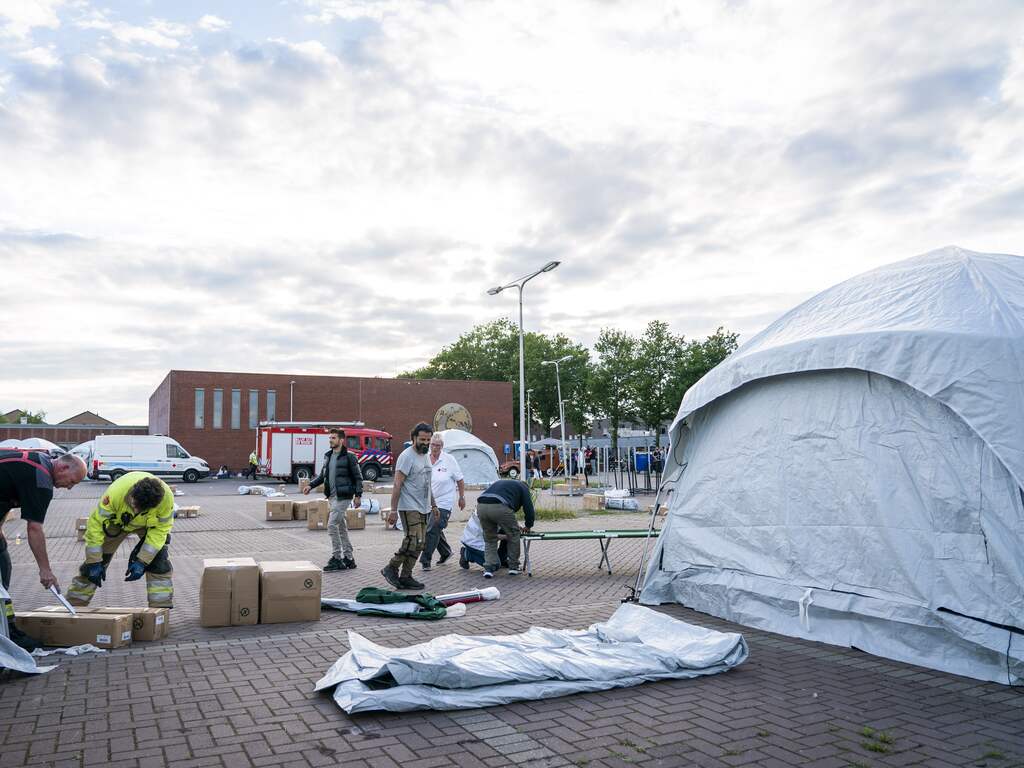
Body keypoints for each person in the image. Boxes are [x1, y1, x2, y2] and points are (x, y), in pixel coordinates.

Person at [0, 450, 87, 650]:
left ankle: (7, 627)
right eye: (72, 481)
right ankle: (8, 632)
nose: (70, 488)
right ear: (64, 467)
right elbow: (34, 528)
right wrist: (45, 570)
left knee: (3, 564)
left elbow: (5, 489)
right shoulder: (41, 481)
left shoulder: (39, 460)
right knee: (2, 570)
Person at [66, 472, 175, 610]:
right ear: (132, 493)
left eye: (141, 509)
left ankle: (160, 611)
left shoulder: (166, 501)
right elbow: (95, 526)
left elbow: (161, 531)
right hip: (117, 524)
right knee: (92, 567)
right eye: (134, 505)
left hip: (149, 526)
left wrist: (142, 561)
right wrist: (94, 561)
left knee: (159, 563)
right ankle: (73, 606)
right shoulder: (115, 494)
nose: (135, 510)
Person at [381, 422, 433, 590]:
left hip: (424, 507)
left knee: (421, 543)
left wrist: (435, 505)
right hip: (409, 506)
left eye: (428, 440)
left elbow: (428, 483)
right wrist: (393, 510)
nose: (425, 443)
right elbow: (397, 484)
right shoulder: (406, 456)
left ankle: (406, 576)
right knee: (412, 540)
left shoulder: (425, 455)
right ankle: (391, 567)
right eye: (422, 439)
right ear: (413, 438)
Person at [304, 428, 362, 572]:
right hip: (332, 497)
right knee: (341, 528)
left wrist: (358, 495)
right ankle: (349, 558)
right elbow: (323, 476)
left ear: (341, 440)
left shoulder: (350, 457)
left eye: (334, 438)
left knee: (331, 525)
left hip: (344, 497)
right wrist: (310, 485)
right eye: (330, 438)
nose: (331, 440)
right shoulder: (328, 456)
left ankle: (336, 558)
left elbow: (358, 478)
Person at [420, 433, 464, 571]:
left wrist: (461, 497)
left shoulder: (449, 460)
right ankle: (446, 552)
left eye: (437, 445)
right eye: (432, 445)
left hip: (444, 502)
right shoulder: (424, 458)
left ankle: (425, 560)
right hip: (427, 502)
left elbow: (460, 479)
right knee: (435, 529)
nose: (434, 448)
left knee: (432, 529)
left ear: (442, 446)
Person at [475, 478, 536, 578]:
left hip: (481, 506)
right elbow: (529, 508)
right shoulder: (524, 487)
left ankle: (489, 568)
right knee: (513, 535)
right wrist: (528, 525)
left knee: (490, 538)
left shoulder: (504, 483)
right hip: (500, 507)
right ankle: (513, 567)